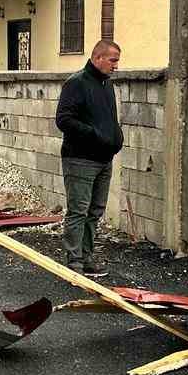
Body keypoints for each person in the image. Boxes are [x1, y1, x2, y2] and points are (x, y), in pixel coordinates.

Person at [54, 38, 123, 278]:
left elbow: (108, 119)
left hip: (104, 159)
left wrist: (115, 136)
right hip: (80, 159)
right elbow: (63, 120)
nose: (116, 66)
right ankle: (74, 262)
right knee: (78, 210)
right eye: (113, 60)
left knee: (95, 211)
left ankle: (87, 257)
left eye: (117, 61)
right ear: (98, 58)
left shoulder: (107, 85)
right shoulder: (76, 83)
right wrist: (94, 135)